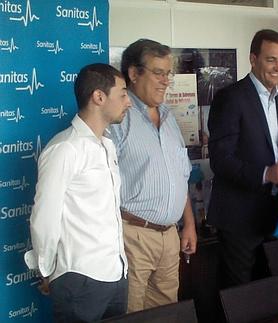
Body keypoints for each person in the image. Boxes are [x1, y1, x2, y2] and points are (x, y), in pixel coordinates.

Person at [28, 63, 132, 322]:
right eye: (122, 94)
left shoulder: (107, 146)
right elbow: (45, 217)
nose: (128, 102)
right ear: (99, 97)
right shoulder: (65, 149)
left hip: (116, 274)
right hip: (80, 278)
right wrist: (47, 269)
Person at [108, 39, 197, 312]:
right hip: (133, 236)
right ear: (134, 74)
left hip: (170, 236)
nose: (166, 81)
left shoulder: (170, 118)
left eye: (168, 74)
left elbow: (179, 176)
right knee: (132, 313)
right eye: (158, 73)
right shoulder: (118, 119)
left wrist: (189, 224)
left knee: (166, 314)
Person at [207, 29, 278, 287]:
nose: (277, 67)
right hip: (239, 219)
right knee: (240, 297)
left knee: (271, 291)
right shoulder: (230, 97)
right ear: (253, 59)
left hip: (273, 215)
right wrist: (267, 174)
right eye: (271, 59)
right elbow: (220, 160)